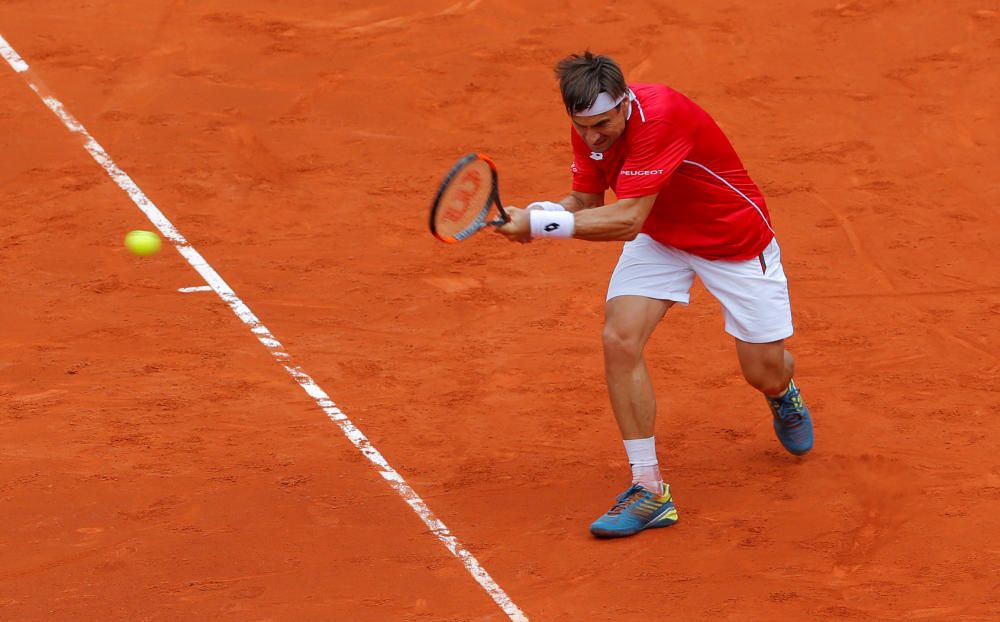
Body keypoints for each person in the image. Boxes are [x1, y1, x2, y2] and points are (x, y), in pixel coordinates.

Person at [495, 51, 814, 539]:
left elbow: (626, 220)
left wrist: (539, 224)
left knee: (763, 371)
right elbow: (584, 202)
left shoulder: (663, 116)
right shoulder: (590, 129)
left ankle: (782, 393)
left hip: (733, 242)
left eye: (602, 123)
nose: (591, 136)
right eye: (581, 127)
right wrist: (538, 218)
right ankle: (650, 490)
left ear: (624, 103)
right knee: (619, 339)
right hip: (663, 240)